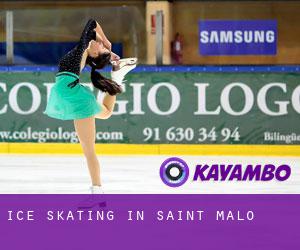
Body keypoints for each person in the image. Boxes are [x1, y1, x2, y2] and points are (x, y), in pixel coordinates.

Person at [44, 18, 137, 194]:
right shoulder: (83, 51)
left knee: (89, 149)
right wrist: (106, 43)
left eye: (101, 47)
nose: (100, 43)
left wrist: (106, 43)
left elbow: (91, 23)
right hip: (73, 94)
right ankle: (116, 77)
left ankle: (97, 191)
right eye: (101, 44)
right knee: (106, 114)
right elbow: (93, 28)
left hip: (74, 96)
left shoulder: (83, 50)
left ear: (94, 54)